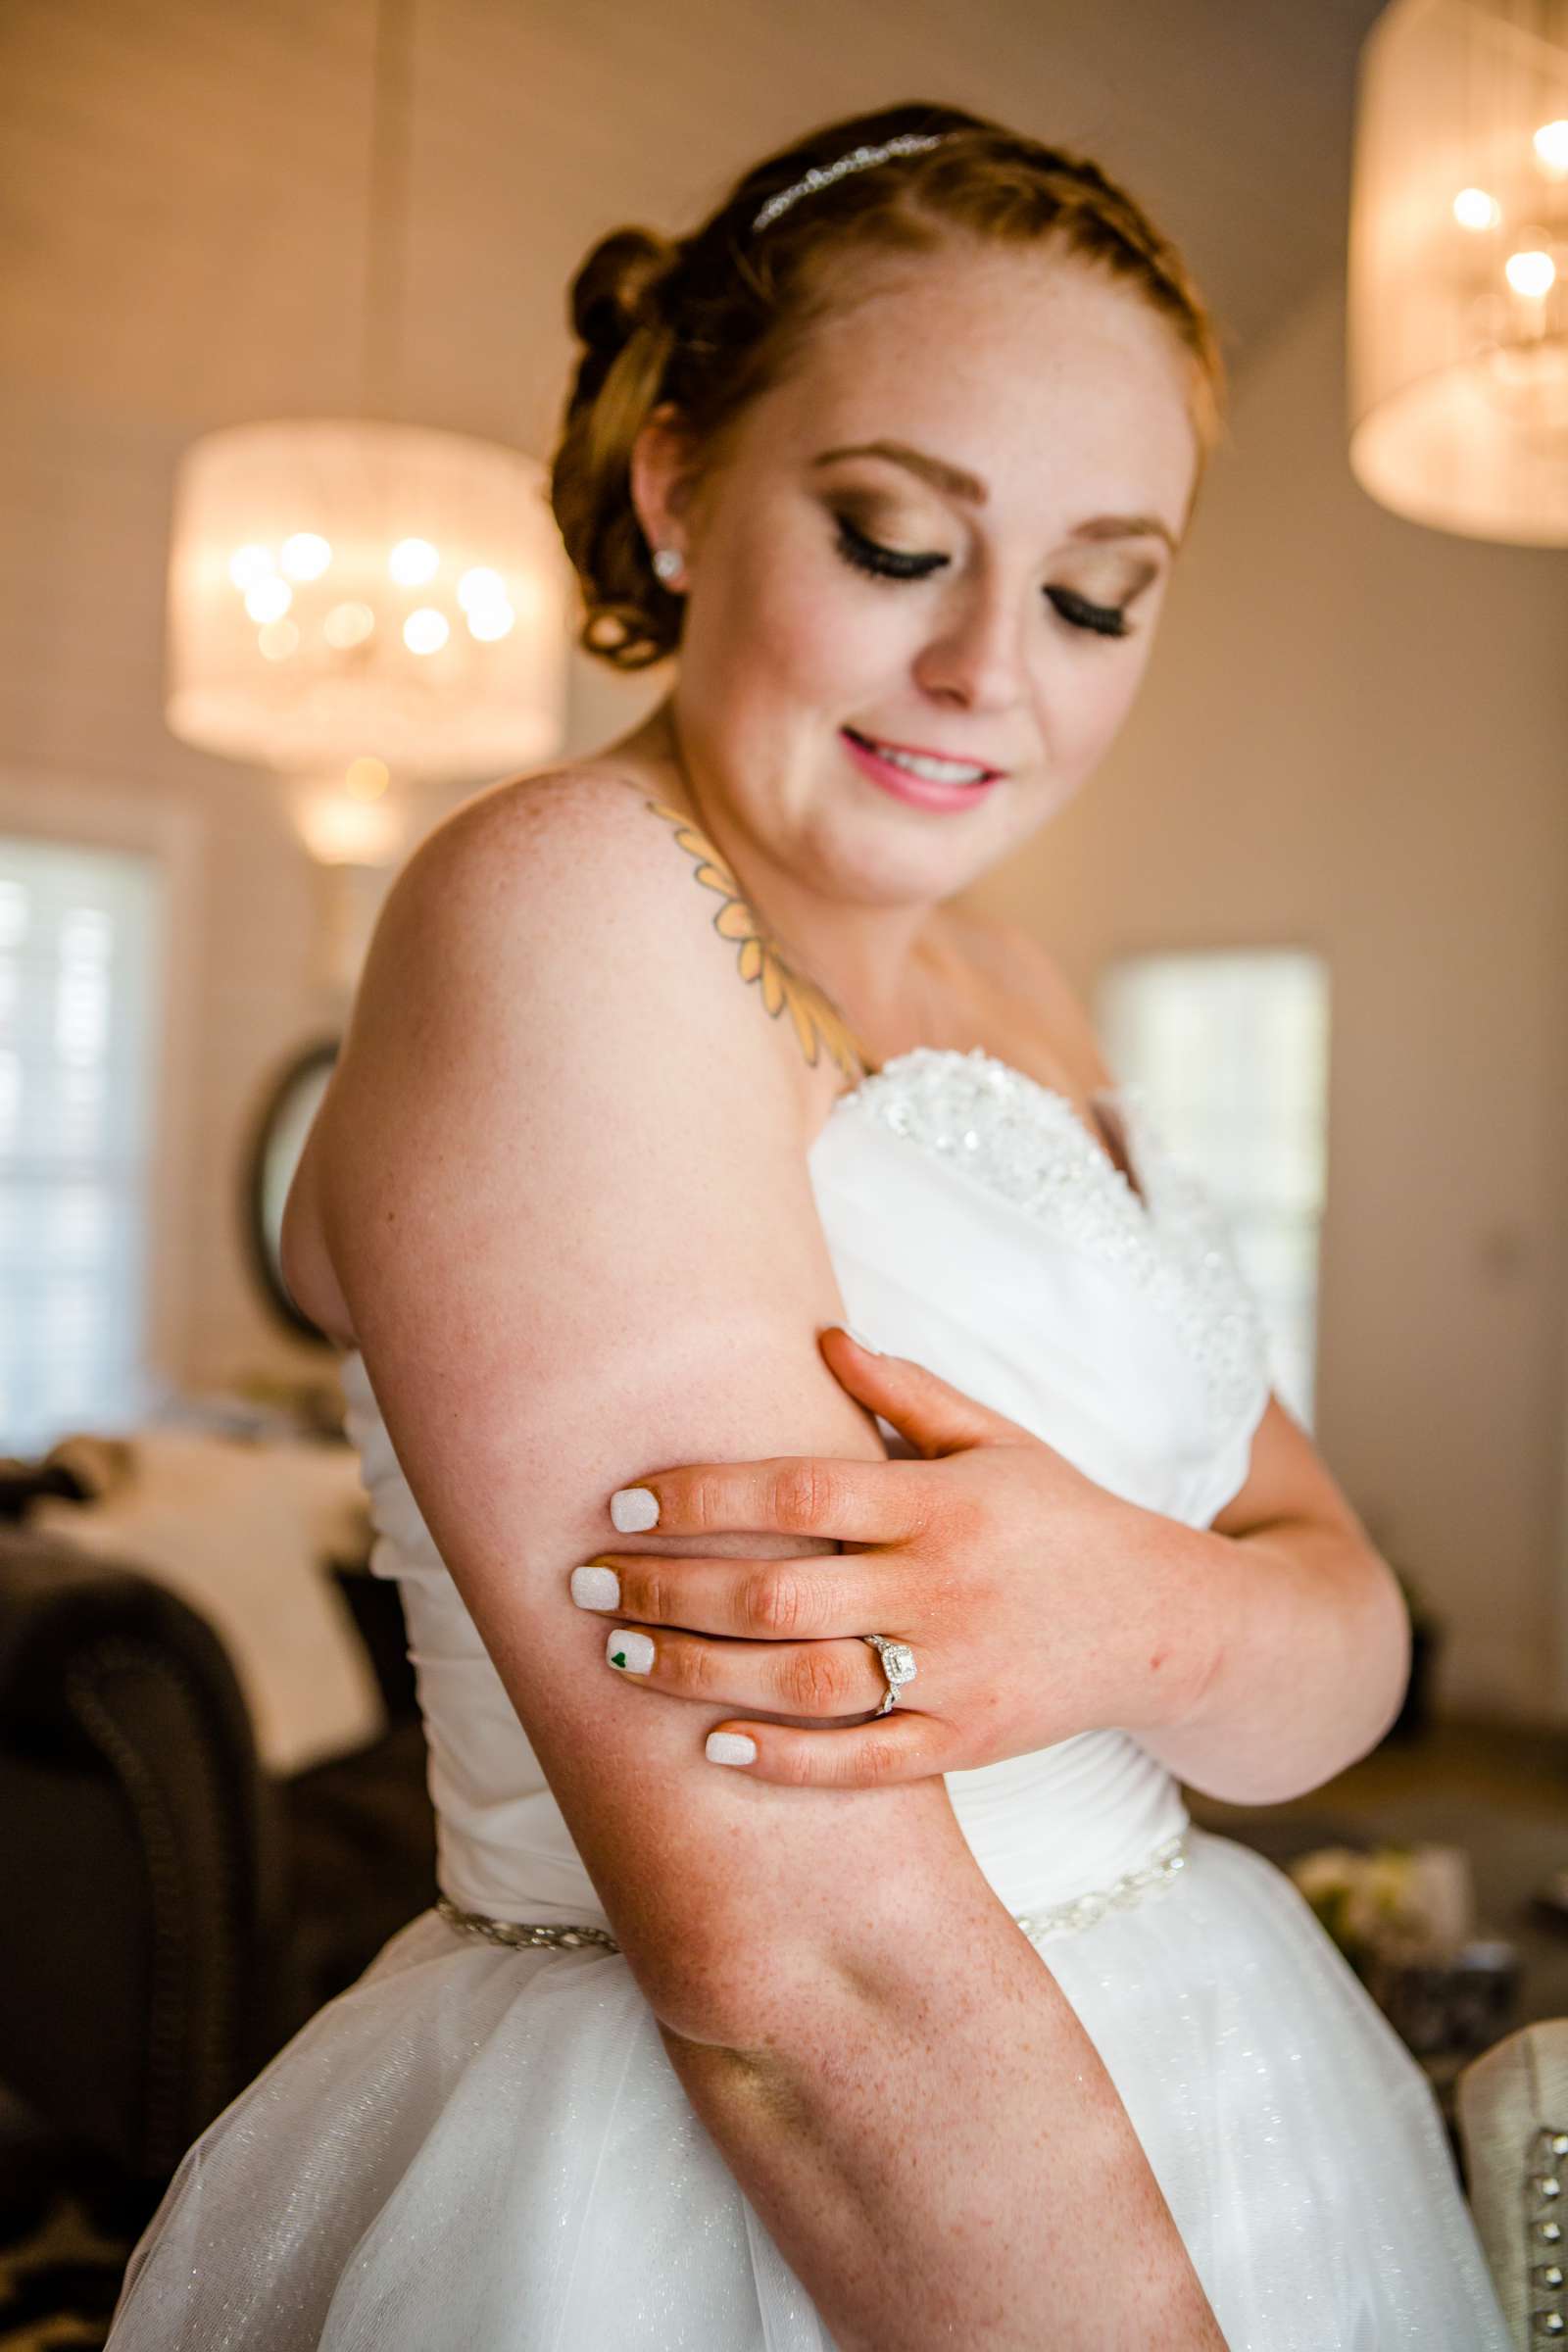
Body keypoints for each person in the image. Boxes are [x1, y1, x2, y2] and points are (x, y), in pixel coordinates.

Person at [106, 101, 1511, 2349]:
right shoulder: (561, 908)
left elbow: (1344, 1640)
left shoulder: (1014, 990)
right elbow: (815, 1977)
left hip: (1205, 2075)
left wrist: (1128, 1613)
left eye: (1090, 593)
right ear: (675, 489)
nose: (990, 672)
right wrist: (1212, 1629)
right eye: (891, 540)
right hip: (787, 2187)